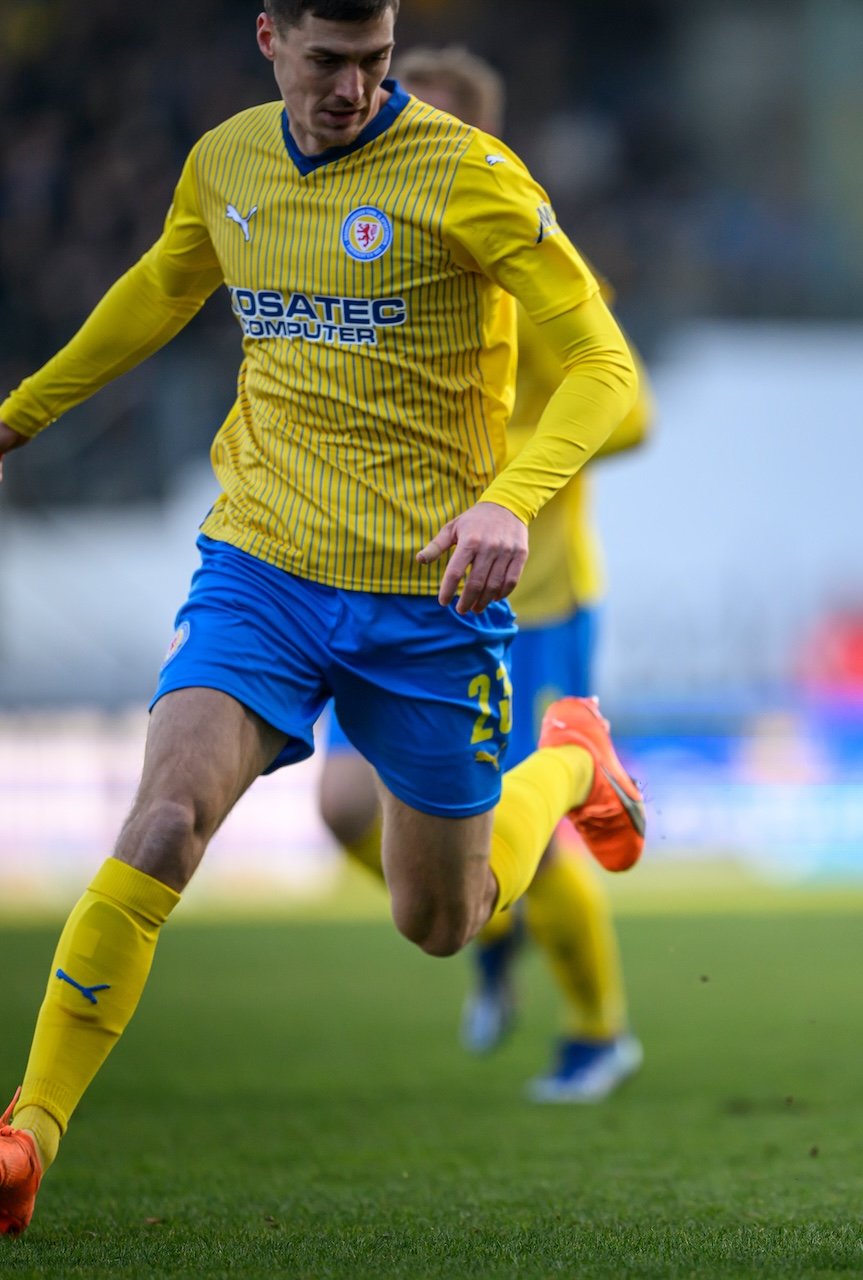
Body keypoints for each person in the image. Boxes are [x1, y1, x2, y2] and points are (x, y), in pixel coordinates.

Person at [0, 0, 648, 1235]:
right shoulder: (227, 161)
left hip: (427, 597)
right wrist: (19, 413)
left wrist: (510, 500)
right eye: (327, 60)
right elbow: (157, 287)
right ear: (268, 39)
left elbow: (606, 365)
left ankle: (568, 760)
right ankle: (27, 1133)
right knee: (165, 819)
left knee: (441, 921)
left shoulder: (471, 175)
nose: (352, 86)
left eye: (375, 61)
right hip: (263, 562)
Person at [315, 44, 649, 1104]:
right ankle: (486, 916)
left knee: (528, 814)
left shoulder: (524, 258)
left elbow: (628, 405)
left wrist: (508, 473)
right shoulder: (360, 254)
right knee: (339, 802)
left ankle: (599, 1030)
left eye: (446, 127)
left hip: (533, 599)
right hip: (390, 582)